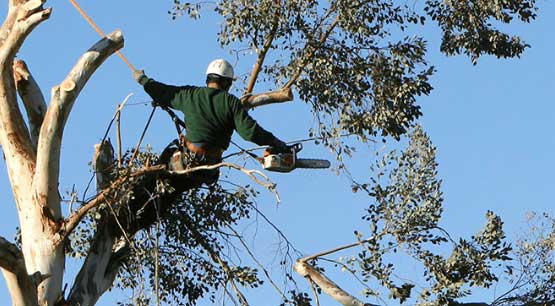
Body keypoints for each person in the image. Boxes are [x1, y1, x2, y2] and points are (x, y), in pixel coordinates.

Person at [133, 59, 288, 186]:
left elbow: (163, 92)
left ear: (208, 78)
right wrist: (274, 141)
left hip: (184, 163)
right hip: (209, 170)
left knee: (165, 160)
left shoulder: (190, 95)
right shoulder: (231, 102)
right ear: (227, 83)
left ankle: (145, 186)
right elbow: (250, 132)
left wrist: (143, 80)